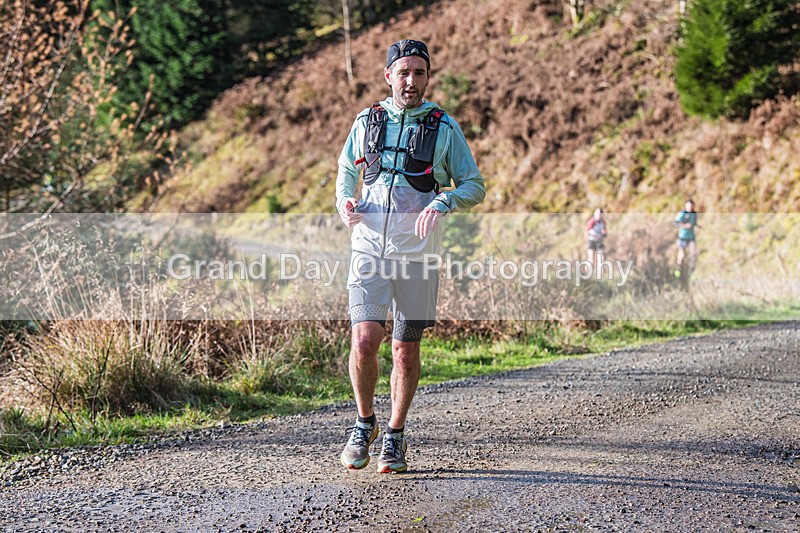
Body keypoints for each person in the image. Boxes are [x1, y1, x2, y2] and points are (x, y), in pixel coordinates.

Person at [336, 39, 485, 473]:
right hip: (367, 250)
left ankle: (395, 436)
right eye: (403, 72)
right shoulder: (367, 121)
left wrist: (443, 203)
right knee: (364, 340)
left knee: (404, 349)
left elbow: (474, 185)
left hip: (417, 257)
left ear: (426, 77)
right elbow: (347, 169)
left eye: (419, 73)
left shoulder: (444, 127)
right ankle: (365, 424)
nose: (411, 81)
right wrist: (346, 202)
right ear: (388, 76)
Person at [673, 199, 698, 277]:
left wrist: (698, 226)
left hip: (691, 237)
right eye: (688, 205)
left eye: (691, 205)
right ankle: (678, 269)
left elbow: (694, 223)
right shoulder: (682, 213)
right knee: (682, 254)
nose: (690, 207)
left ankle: (692, 272)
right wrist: (684, 225)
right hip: (682, 237)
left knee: (693, 254)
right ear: (686, 206)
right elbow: (675, 223)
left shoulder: (694, 214)